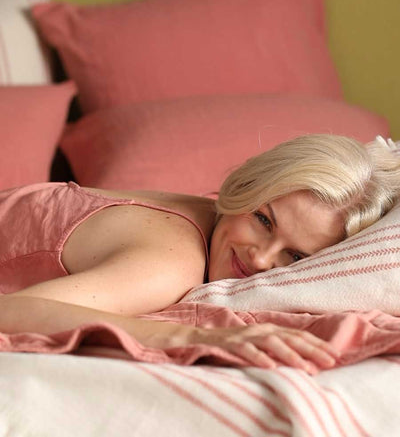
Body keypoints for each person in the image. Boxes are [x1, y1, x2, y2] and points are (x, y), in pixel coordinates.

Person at [1, 134, 400, 373]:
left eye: (295, 258)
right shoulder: (173, 263)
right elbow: (10, 313)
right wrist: (194, 335)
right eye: (264, 220)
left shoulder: (211, 216)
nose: (262, 260)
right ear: (248, 184)